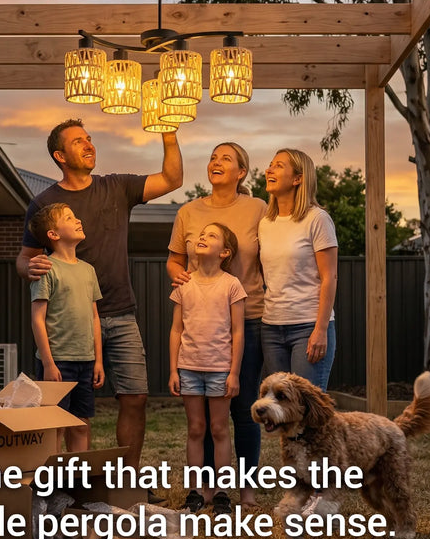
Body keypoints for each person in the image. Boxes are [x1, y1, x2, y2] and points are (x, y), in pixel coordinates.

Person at [17, 118, 182, 471]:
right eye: (79, 141)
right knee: (64, 411)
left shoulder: (117, 187)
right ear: (60, 155)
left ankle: (128, 480)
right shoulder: (45, 204)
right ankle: (60, 484)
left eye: (89, 138)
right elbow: (24, 258)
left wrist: (169, 134)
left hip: (121, 314)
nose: (89, 144)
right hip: (69, 322)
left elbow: (172, 180)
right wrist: (27, 268)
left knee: (136, 397)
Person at [166, 142, 266, 507]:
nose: (215, 162)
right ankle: (205, 489)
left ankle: (246, 489)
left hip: (249, 316)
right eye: (211, 156)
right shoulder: (190, 212)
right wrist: (182, 280)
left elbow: (274, 255)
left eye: (226, 158)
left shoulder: (258, 208)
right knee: (202, 418)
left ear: (242, 172)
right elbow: (174, 262)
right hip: (199, 322)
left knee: (241, 410)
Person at [168, 223, 246, 516]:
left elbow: (238, 332)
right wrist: (174, 370)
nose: (202, 237)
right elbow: (176, 330)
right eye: (202, 234)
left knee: (219, 428)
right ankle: (196, 491)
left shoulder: (232, 285)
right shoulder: (183, 284)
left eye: (211, 236)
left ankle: (223, 492)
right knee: (196, 428)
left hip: (219, 369)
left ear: (224, 252)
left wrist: (234, 372)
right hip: (188, 367)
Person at [259, 148, 338, 391]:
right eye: (270, 164)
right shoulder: (265, 223)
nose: (269, 169)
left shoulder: (317, 219)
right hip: (271, 327)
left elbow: (329, 277)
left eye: (279, 165)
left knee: (307, 411)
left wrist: (321, 329)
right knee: (281, 412)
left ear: (298, 178)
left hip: (307, 326)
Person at [28, 203, 104, 452]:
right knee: (56, 426)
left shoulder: (88, 270)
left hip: (86, 361)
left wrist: (98, 361)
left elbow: (94, 318)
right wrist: (49, 364)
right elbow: (38, 319)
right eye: (69, 217)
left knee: (80, 424)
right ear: (53, 234)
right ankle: (51, 485)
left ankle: (77, 482)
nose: (78, 219)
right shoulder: (46, 269)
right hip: (58, 362)